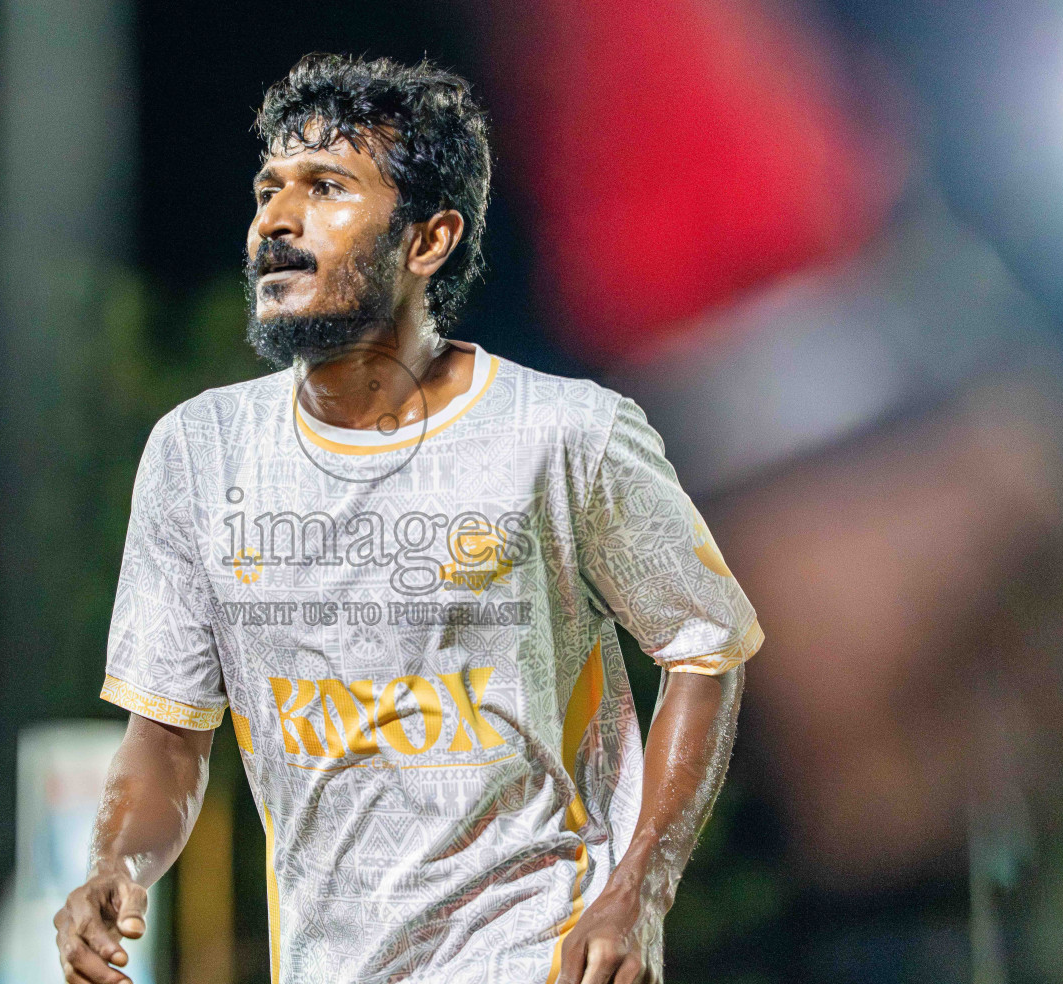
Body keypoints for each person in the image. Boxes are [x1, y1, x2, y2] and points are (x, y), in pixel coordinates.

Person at [54, 54, 763, 984]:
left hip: (536, 954)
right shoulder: (198, 454)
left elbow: (708, 646)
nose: (275, 219)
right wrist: (114, 866)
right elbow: (169, 736)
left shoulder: (566, 434)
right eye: (268, 189)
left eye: (326, 188)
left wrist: (642, 886)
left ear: (429, 240)